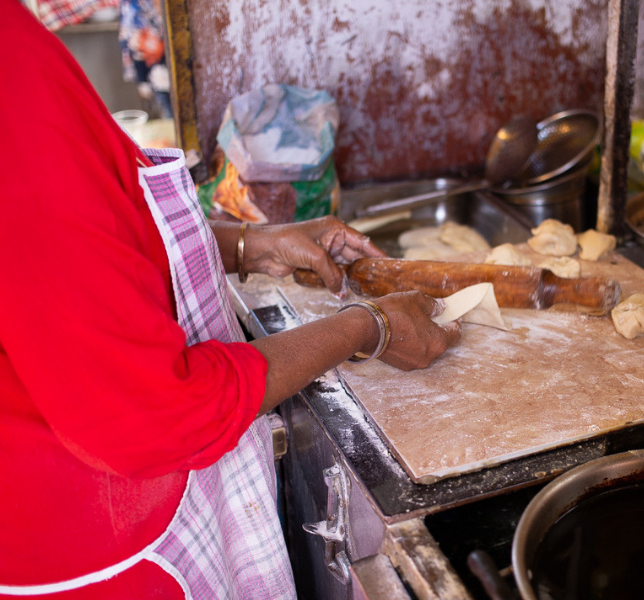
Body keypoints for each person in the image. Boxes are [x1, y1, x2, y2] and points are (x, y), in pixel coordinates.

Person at [0, 1, 461, 598]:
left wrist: (247, 244)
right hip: (100, 549)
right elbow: (154, 414)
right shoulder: (11, 71)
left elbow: (68, 251)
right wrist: (365, 326)